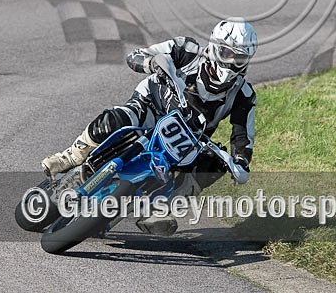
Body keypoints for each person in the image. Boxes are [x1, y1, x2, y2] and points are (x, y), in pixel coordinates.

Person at [41, 18, 257, 235]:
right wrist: (152, 63)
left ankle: (160, 208)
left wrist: (240, 161)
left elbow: (243, 136)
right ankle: (71, 156)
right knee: (116, 119)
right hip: (151, 106)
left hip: (188, 139)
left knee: (214, 165)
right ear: (214, 47)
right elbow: (136, 55)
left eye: (239, 58)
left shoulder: (244, 94)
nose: (232, 63)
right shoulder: (188, 50)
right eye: (227, 54)